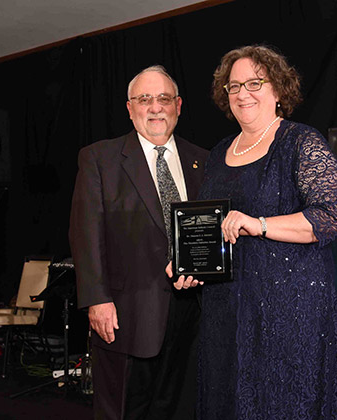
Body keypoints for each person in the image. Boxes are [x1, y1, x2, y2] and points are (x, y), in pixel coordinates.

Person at [171, 45, 337, 419]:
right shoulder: (219, 152)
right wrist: (188, 262)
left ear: (279, 90)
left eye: (255, 82)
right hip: (226, 310)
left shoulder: (301, 142)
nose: (243, 93)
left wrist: (260, 224)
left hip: (289, 311)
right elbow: (210, 226)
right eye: (234, 86)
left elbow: (330, 217)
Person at [70, 65, 208, 420]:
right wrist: (96, 299)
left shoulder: (204, 161)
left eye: (163, 98)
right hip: (125, 316)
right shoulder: (100, 159)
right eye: (144, 99)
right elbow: (85, 233)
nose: (155, 107)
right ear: (130, 108)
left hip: (191, 314)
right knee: (123, 411)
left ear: (178, 105)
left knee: (179, 408)